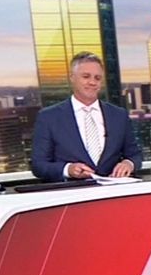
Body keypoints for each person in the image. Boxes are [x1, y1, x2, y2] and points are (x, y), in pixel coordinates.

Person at [30, 52, 141, 182]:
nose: (92, 82)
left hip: (112, 190)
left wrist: (128, 163)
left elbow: (134, 154)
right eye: (86, 76)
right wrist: (68, 169)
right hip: (72, 191)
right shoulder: (49, 117)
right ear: (72, 77)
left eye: (97, 78)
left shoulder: (118, 115)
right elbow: (38, 165)